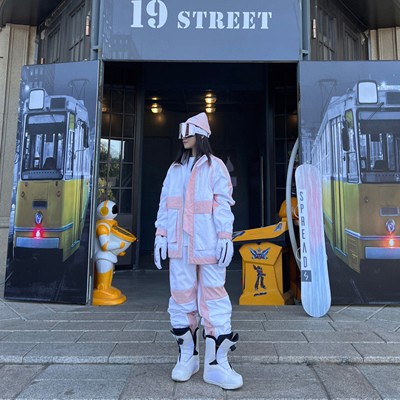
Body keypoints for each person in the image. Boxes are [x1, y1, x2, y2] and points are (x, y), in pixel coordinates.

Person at [154, 112, 243, 390]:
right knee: (181, 298)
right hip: (180, 245)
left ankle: (217, 364)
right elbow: (165, 204)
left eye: (188, 131)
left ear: (201, 134)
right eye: (182, 131)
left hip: (208, 243)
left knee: (215, 297)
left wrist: (225, 236)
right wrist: (160, 234)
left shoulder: (215, 167)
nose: (183, 136)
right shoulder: (175, 169)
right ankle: (187, 358)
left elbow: (223, 203)